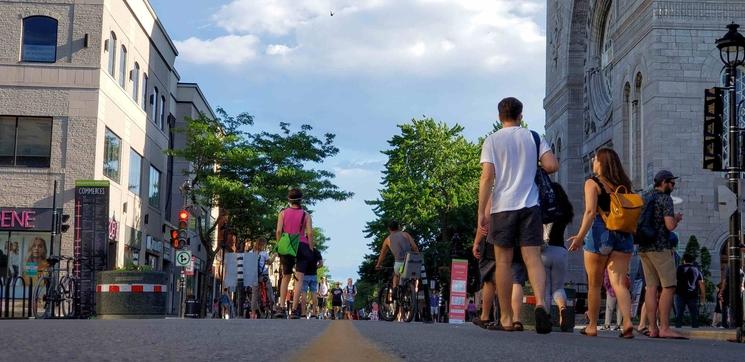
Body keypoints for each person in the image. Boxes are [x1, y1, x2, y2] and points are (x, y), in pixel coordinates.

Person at [477, 97, 559, 334]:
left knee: (502, 262)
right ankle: (542, 304)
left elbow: (487, 177)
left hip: (502, 207)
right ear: (521, 115)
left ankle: (505, 318)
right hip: (530, 206)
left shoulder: (492, 140)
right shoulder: (533, 137)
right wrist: (532, 165)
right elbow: (552, 165)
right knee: (532, 259)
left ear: (499, 117)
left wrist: (482, 211)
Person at [568, 148, 635, 338]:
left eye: (595, 159)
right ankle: (628, 322)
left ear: (601, 163)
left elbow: (590, 212)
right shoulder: (624, 184)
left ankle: (591, 326)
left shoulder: (592, 182)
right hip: (624, 234)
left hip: (601, 232)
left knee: (595, 284)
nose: (593, 162)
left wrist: (580, 237)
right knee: (619, 282)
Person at [637, 170, 686, 339]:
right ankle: (665, 327)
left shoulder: (645, 197)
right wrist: (677, 219)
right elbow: (670, 225)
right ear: (664, 182)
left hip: (644, 247)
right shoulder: (665, 199)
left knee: (650, 288)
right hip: (660, 247)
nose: (673, 186)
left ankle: (653, 328)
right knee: (669, 286)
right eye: (672, 183)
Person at [275, 188, 314, 319]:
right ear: (301, 199)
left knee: (285, 277)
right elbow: (309, 233)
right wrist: (311, 248)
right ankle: (295, 310)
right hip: (302, 244)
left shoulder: (282, 213)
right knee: (299, 279)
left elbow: (279, 231)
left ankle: (281, 307)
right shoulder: (306, 214)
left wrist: (279, 244)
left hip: (287, 244)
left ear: (289, 200)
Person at [541, 182, 574, 332]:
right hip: (560, 251)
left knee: (545, 289)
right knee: (558, 288)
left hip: (544, 252)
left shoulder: (544, 210)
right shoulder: (565, 212)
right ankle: (562, 309)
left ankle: (546, 319)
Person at [375, 220, 420, 288]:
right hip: (410, 262)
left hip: (399, 265)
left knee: (396, 275)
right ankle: (414, 291)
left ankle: (395, 291)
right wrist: (418, 258)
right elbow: (415, 247)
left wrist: (378, 265)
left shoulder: (387, 240)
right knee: (415, 277)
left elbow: (382, 255)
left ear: (389, 229)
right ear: (398, 227)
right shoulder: (406, 234)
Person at [675, 253, 705, 328]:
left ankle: (678, 326)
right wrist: (703, 295)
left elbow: (674, 280)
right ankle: (695, 326)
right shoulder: (697, 269)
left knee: (679, 312)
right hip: (692, 293)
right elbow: (701, 283)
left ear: (684, 260)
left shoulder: (679, 268)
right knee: (694, 312)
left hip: (680, 293)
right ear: (692, 260)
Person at [300, 248, 323, 318]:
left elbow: (298, 262)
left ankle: (303, 313)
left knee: (304, 293)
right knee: (314, 294)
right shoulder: (316, 251)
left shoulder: (303, 250)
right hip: (313, 275)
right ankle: (314, 313)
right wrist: (315, 267)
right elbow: (321, 264)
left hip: (304, 275)